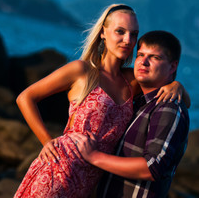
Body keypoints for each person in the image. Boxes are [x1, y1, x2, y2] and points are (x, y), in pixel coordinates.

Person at [13, 5, 189, 198]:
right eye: (120, 32)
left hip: (91, 180)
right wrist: (47, 141)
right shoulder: (82, 71)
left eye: (133, 34)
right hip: (59, 170)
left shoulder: (132, 80)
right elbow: (25, 98)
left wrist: (176, 85)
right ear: (103, 33)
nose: (128, 40)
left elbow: (180, 100)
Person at [71, 30, 190, 198]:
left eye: (155, 57)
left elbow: (152, 167)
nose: (144, 62)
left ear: (173, 66)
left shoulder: (167, 107)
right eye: (140, 54)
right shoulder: (139, 101)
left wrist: (94, 157)